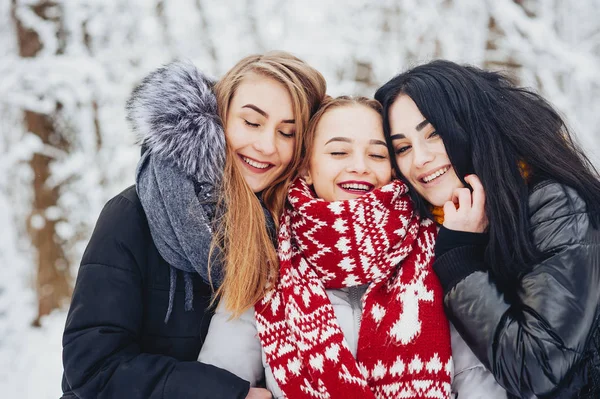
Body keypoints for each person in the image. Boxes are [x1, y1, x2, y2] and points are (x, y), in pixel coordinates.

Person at [60, 52, 326, 399]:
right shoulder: (133, 214)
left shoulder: (297, 226)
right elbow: (93, 365)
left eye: (287, 132)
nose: (266, 146)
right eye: (251, 122)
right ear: (219, 116)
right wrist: (226, 394)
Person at [199, 96, 453, 399]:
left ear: (394, 169)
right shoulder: (264, 264)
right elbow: (219, 383)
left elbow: (477, 379)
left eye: (377, 154)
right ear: (306, 167)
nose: (359, 166)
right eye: (338, 151)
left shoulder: (438, 249)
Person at [375, 60, 600, 398]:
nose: (419, 158)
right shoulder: (427, 229)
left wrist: (459, 259)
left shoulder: (553, 205)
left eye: (433, 133)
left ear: (469, 127)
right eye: (403, 147)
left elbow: (536, 367)